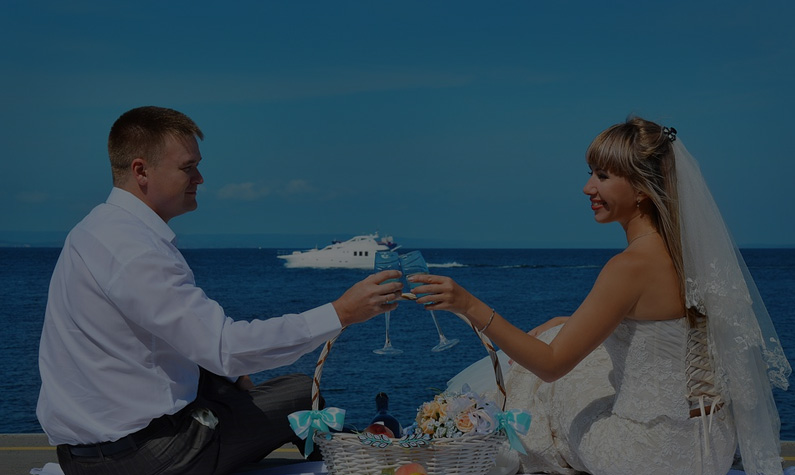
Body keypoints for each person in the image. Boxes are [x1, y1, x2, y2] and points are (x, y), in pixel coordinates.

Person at [36, 105, 404, 475]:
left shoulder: (90, 231)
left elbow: (164, 341)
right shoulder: (137, 250)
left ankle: (330, 455)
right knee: (299, 393)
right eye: (188, 167)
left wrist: (227, 377)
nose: (200, 178)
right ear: (141, 171)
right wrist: (342, 312)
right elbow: (226, 348)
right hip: (145, 459)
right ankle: (346, 464)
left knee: (225, 379)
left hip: (80, 458)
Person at [410, 117, 791, 474]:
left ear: (642, 188)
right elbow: (661, 330)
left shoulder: (629, 267)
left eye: (603, 176)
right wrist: (566, 323)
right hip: (711, 446)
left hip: (646, 455)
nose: (588, 187)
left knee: (545, 384)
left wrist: (469, 305)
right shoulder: (691, 254)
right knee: (569, 344)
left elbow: (552, 364)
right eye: (590, 173)